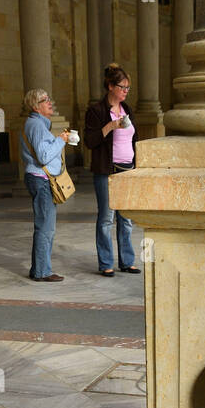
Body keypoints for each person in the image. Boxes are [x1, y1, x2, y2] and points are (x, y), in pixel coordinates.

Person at [83, 64, 141, 277]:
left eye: (128, 88)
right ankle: (106, 262)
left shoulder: (128, 110)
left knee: (125, 218)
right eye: (122, 86)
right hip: (107, 170)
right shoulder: (96, 111)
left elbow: (134, 139)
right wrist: (110, 126)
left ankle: (127, 261)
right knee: (107, 218)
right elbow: (90, 141)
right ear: (110, 86)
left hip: (128, 169)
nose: (126, 91)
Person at [20, 89, 71, 283]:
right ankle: (42, 272)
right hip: (41, 179)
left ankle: (39, 269)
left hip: (40, 178)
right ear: (35, 106)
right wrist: (61, 140)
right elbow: (43, 156)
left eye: (49, 98)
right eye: (44, 100)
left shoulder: (37, 125)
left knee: (45, 226)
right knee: (45, 228)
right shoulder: (36, 125)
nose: (50, 102)